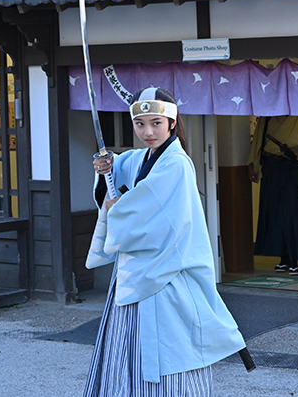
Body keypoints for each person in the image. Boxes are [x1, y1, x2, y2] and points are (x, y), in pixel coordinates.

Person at [85, 87, 246, 396]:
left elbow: (149, 207)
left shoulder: (176, 164)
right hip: (138, 273)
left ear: (172, 123)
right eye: (140, 123)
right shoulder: (141, 158)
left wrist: (115, 208)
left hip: (165, 274)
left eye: (156, 123)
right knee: (131, 349)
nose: (148, 132)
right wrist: (106, 166)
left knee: (169, 350)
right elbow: (121, 167)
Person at [247, 116, 298, 276]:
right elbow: (259, 139)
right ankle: (282, 257)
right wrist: (252, 164)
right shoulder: (268, 115)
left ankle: (294, 259)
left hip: (294, 168)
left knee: (294, 214)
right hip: (272, 166)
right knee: (275, 213)